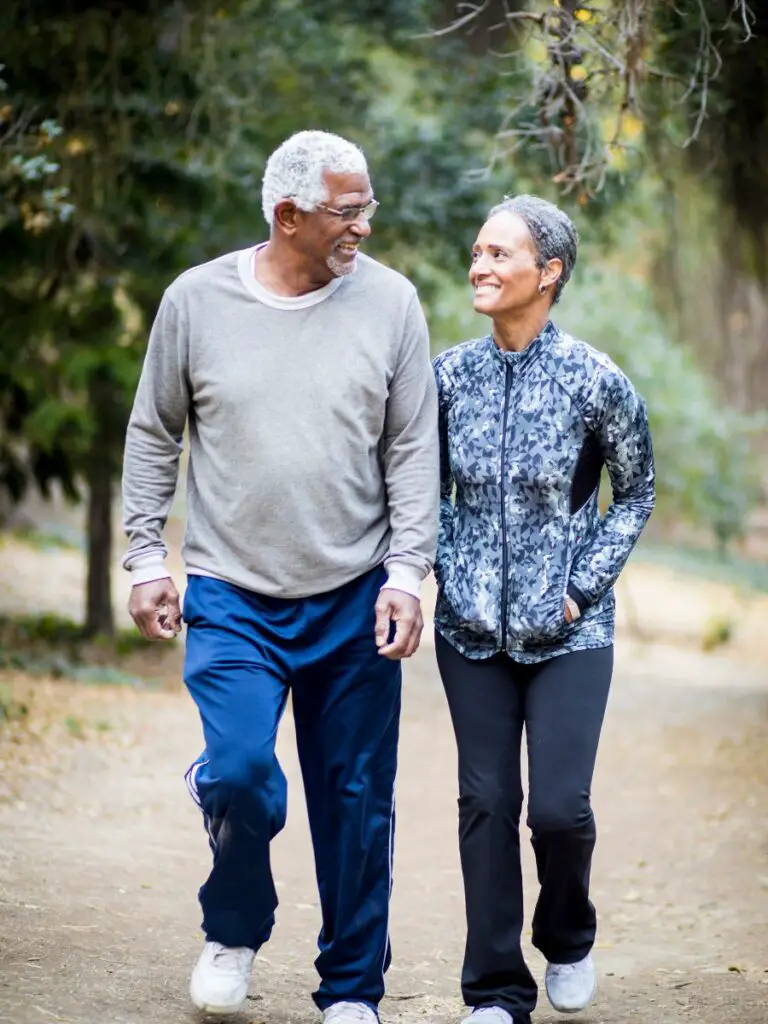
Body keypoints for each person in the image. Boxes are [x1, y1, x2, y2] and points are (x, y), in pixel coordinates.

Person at [121, 130, 439, 1021]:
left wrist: (409, 573)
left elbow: (414, 448)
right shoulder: (196, 302)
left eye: (367, 207)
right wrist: (147, 555)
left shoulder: (393, 306)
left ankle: (350, 990)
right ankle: (234, 930)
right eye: (348, 210)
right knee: (240, 775)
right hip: (230, 593)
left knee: (355, 802)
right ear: (287, 214)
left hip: (354, 593)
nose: (365, 227)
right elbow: (154, 431)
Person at [432, 195, 655, 1024]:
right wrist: (443, 572)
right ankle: (494, 991)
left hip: (569, 632)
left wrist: (580, 587)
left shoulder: (597, 380)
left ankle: (567, 935)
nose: (479, 267)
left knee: (559, 809)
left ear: (548, 272)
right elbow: (417, 487)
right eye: (477, 252)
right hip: (469, 632)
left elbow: (636, 493)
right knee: (486, 803)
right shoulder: (447, 377)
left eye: (499, 255)